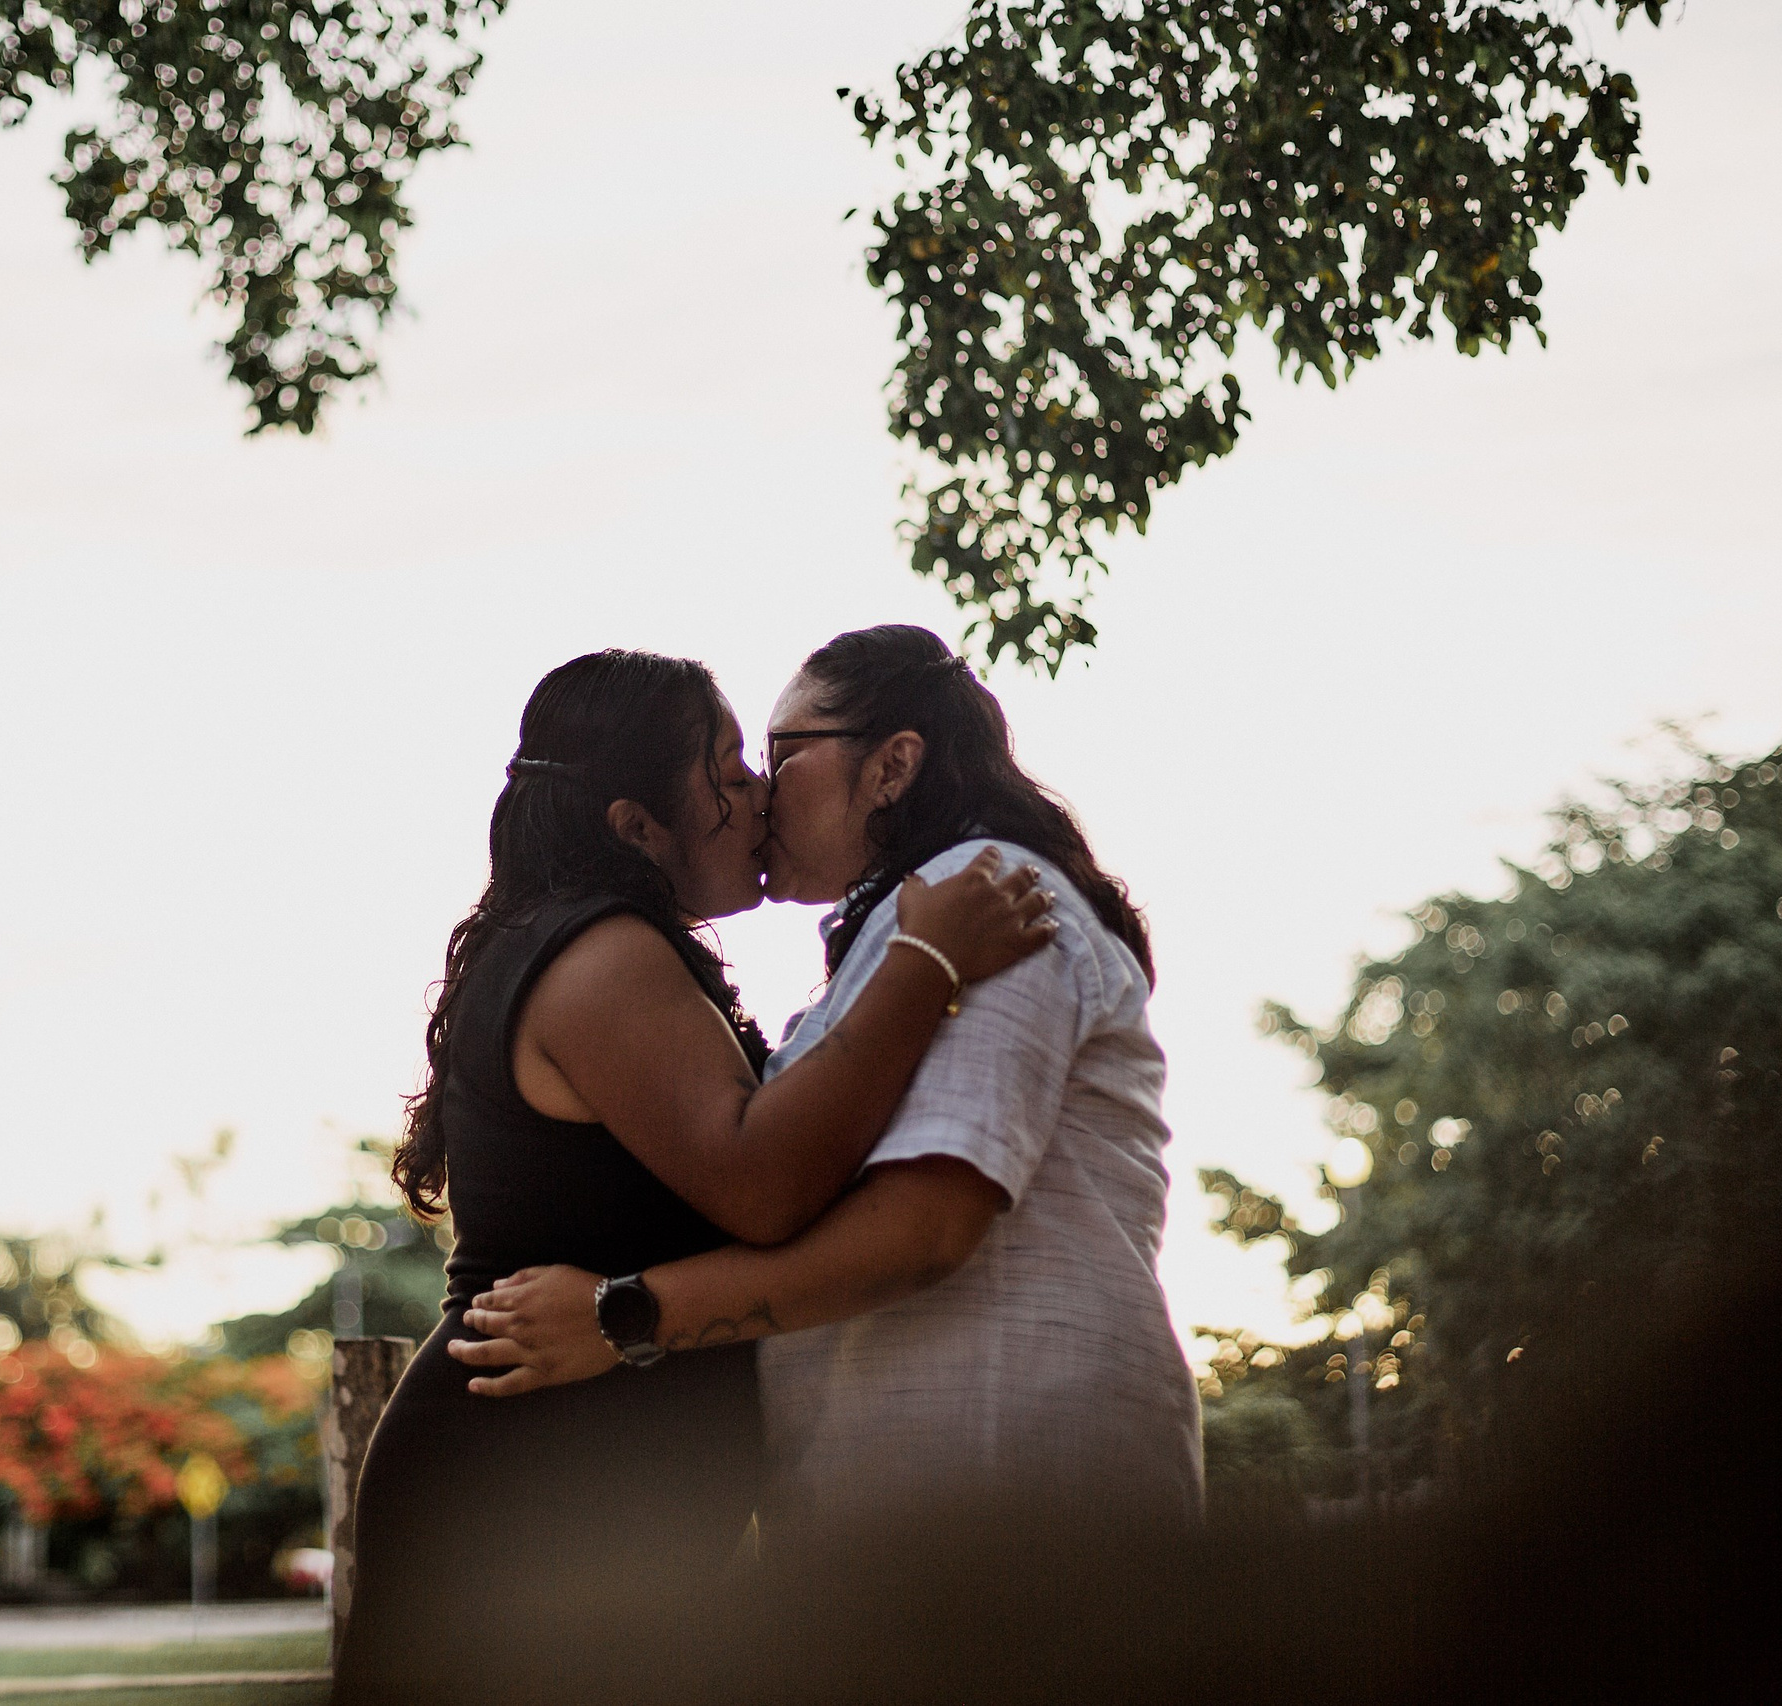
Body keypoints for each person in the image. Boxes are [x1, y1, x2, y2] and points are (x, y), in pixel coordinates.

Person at [329, 648, 1057, 1706]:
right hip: (529, 1496)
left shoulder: (593, 939)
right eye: (726, 771)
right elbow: (762, 1184)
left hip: (577, 1497)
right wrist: (924, 961)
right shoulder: (600, 955)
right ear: (637, 824)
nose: (757, 792)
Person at [452, 625, 1203, 1552]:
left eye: (779, 754)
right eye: (739, 767)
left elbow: (922, 1228)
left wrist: (621, 1315)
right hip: (915, 1529)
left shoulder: (982, 899)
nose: (760, 791)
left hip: (1010, 1499)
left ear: (891, 768)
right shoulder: (913, 935)